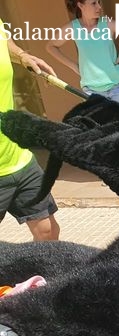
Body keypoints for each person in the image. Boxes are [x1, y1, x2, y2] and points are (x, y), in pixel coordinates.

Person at [0, 22, 60, 241]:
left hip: (17, 156)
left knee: (48, 232)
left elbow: (4, 40)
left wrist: (22, 55)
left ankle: (45, 276)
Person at [47, 0, 119, 112]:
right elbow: (51, 46)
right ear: (80, 5)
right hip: (92, 91)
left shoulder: (107, 24)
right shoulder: (72, 28)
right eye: (93, 3)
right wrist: (73, 66)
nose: (99, 7)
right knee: (101, 129)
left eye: (99, 2)